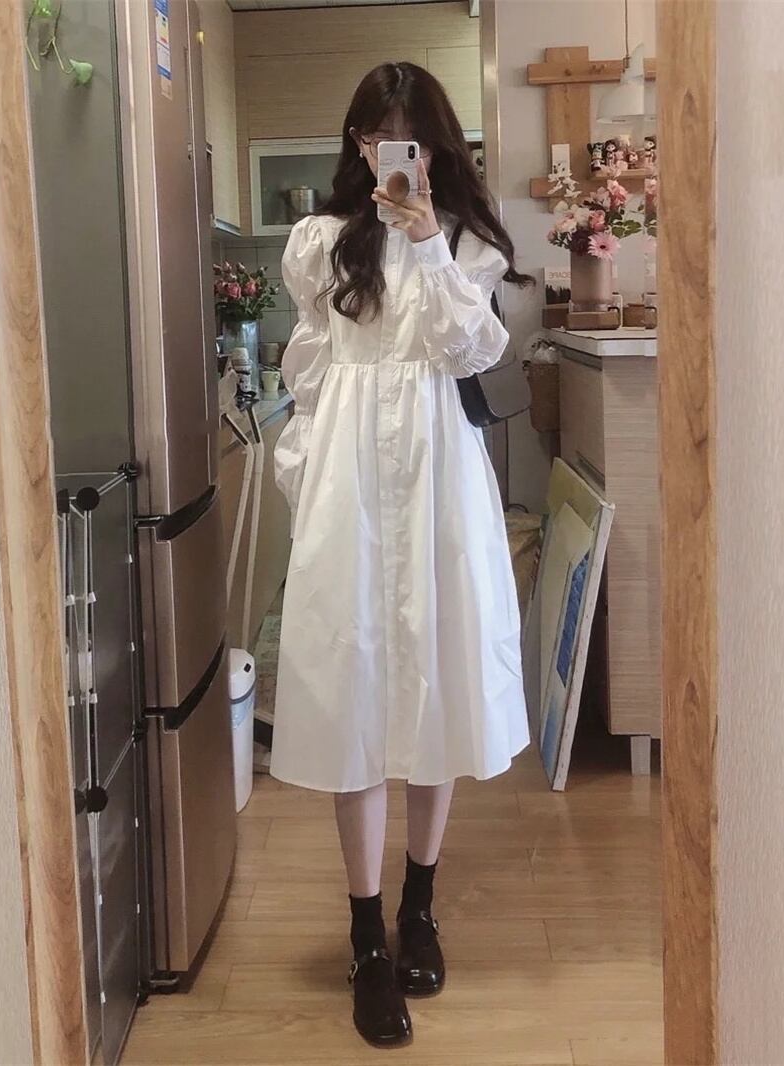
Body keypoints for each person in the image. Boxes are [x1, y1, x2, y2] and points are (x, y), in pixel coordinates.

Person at [270, 60, 533, 1048]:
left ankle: (419, 904)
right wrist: (305, 479)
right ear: (357, 144)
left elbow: (471, 350)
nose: (393, 153)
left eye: (409, 135)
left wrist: (424, 240)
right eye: (377, 135)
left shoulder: (464, 242)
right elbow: (308, 372)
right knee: (352, 692)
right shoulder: (317, 244)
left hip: (437, 487)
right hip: (349, 484)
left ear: (435, 145)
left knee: (431, 684)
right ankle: (363, 937)